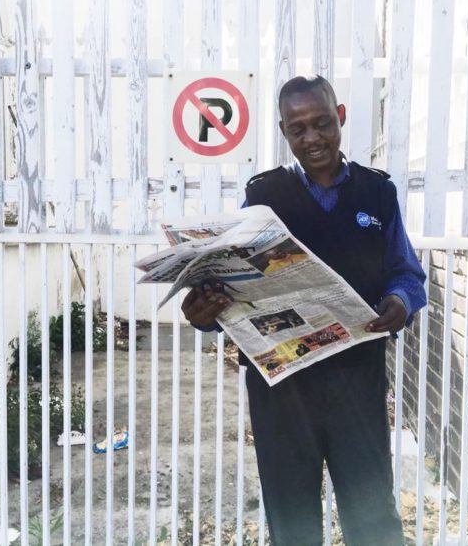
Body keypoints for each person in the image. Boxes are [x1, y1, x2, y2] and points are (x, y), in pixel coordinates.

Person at [181, 75, 426, 545]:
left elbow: (406, 272)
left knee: (373, 515)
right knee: (291, 523)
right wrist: (205, 312)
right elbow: (231, 287)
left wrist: (400, 301)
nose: (312, 138)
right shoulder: (262, 198)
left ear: (341, 117)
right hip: (282, 388)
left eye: (321, 123)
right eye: (298, 129)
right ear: (283, 131)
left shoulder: (378, 194)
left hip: (357, 378)